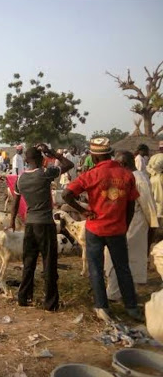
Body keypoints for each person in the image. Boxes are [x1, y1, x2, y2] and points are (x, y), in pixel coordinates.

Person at [62, 137, 143, 322]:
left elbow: (66, 194)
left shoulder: (90, 175)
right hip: (117, 229)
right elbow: (130, 206)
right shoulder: (126, 174)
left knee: (96, 269)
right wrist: (126, 226)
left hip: (95, 229)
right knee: (123, 268)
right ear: (110, 153)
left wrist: (84, 211)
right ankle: (131, 307)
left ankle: (101, 307)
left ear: (93, 156)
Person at [11, 145, 73, 311]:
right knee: (49, 263)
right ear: (41, 159)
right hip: (45, 224)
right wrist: (54, 154)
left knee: (29, 262)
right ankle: (50, 302)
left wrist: (12, 220)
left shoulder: (20, 179)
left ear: (26, 160)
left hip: (29, 224)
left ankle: (24, 297)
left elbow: (16, 202)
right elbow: (69, 165)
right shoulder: (45, 174)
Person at [105, 151, 159, 301]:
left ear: (123, 164)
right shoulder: (125, 177)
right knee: (118, 259)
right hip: (122, 223)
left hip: (135, 224)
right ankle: (121, 293)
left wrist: (152, 228)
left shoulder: (139, 179)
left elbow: (149, 207)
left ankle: (117, 294)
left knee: (125, 260)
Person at [147, 141, 163, 219]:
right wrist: (159, 171)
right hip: (160, 178)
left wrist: (153, 173)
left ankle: (153, 214)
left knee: (153, 197)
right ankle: (159, 215)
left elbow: (148, 167)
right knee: (160, 197)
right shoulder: (162, 157)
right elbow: (156, 166)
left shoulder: (154, 156)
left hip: (152, 178)